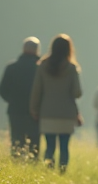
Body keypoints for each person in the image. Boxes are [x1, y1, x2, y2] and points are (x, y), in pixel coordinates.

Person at [30, 34, 82, 171]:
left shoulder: (43, 66)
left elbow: (36, 91)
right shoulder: (71, 68)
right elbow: (77, 93)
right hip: (66, 114)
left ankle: (48, 172)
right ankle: (62, 173)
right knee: (64, 147)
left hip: (47, 113)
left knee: (50, 146)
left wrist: (34, 109)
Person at [0, 37, 41, 158]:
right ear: (37, 50)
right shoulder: (41, 69)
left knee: (17, 141)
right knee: (34, 143)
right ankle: (33, 167)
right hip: (36, 111)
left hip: (15, 110)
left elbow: (2, 89)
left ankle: (16, 163)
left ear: (23, 49)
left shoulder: (11, 67)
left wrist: (12, 101)